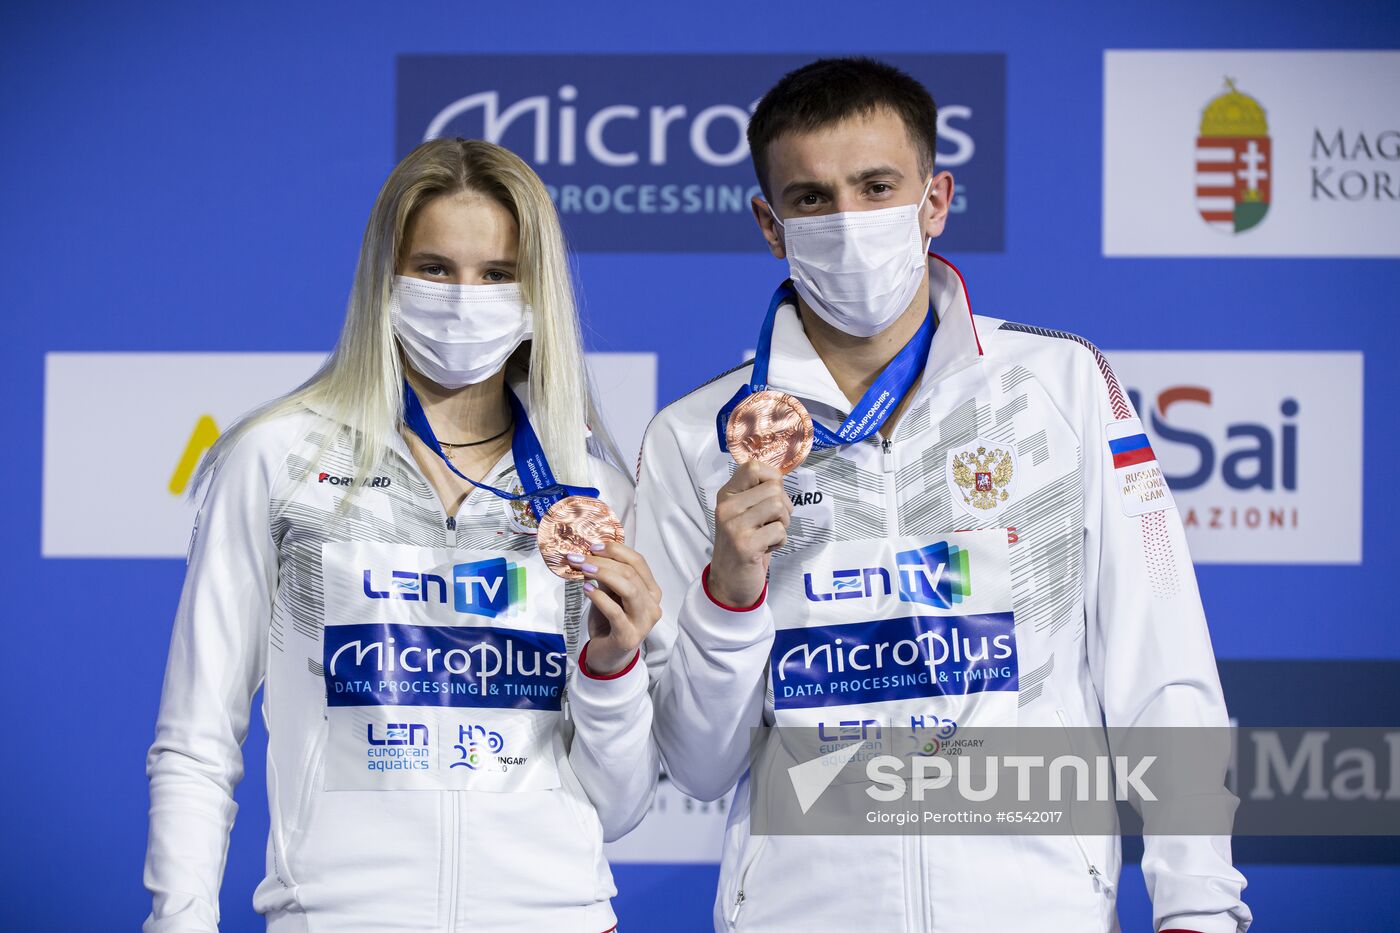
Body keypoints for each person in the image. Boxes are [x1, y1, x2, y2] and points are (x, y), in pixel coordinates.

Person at [635, 57, 1251, 932]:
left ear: (935, 200)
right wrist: (728, 597)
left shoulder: (1063, 386)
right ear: (770, 225)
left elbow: (1164, 670)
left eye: (877, 186)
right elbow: (697, 767)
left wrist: (1199, 905)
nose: (849, 222)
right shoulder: (699, 438)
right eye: (811, 199)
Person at [144, 137, 661, 932]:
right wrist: (177, 921)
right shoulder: (280, 459)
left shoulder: (594, 494)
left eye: (496, 274)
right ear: (385, 277)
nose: (465, 298)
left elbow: (618, 806)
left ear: (536, 292)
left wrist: (612, 667)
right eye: (434, 268)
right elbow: (197, 739)